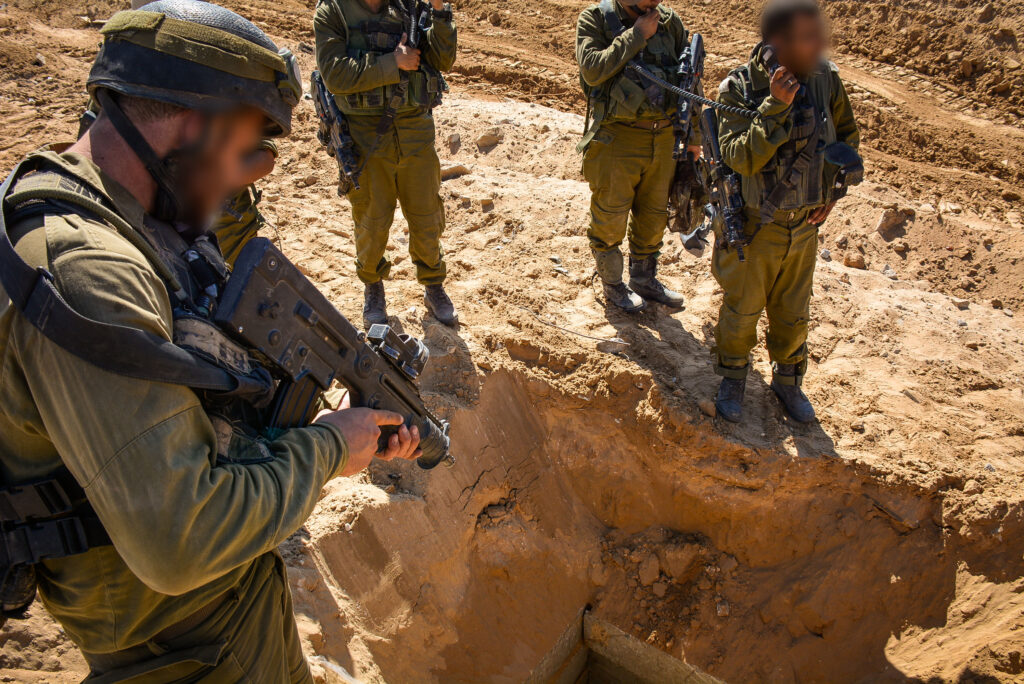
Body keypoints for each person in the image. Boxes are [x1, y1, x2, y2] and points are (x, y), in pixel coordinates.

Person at [0, 1, 421, 680]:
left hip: (220, 615)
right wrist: (327, 450)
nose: (240, 182)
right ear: (195, 124)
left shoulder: (124, 215)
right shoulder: (87, 272)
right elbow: (180, 540)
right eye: (243, 152)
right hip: (180, 646)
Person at [711, 0, 861, 423]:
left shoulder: (825, 79)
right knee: (742, 309)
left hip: (805, 226)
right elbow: (740, 158)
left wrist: (833, 192)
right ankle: (733, 377)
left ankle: (788, 382)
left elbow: (845, 135)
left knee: (794, 312)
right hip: (760, 226)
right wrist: (774, 106)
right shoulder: (740, 88)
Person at [314, 0, 458, 326]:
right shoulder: (333, 12)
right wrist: (393, 62)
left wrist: (440, 14)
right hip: (365, 137)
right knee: (372, 220)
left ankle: (433, 284)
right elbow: (335, 74)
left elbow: (443, 60)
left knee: (427, 216)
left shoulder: (407, 8)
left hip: (414, 129)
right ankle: (372, 285)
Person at [576, 0, 700, 313]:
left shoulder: (670, 22)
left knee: (655, 213)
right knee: (610, 215)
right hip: (620, 136)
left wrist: (694, 137)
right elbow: (591, 70)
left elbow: (690, 81)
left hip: (664, 137)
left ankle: (644, 279)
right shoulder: (597, 19)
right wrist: (636, 35)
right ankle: (614, 284)